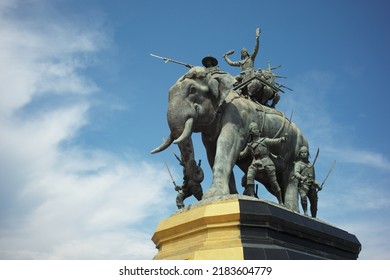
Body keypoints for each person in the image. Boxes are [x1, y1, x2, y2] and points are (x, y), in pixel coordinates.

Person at [239, 122, 286, 205]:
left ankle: (280, 201)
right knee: (249, 176)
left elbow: (274, 141)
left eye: (256, 129)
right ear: (251, 132)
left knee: (273, 182)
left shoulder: (265, 140)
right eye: (254, 129)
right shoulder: (250, 145)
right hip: (255, 162)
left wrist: (282, 139)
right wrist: (237, 154)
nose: (256, 130)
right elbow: (243, 154)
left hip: (266, 161)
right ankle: (253, 196)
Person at [293, 146, 322, 217]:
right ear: (300, 154)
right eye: (302, 153)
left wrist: (318, 184)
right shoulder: (298, 164)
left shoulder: (311, 165)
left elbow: (313, 178)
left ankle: (314, 216)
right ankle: (305, 212)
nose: (304, 154)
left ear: (308, 154)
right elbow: (296, 173)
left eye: (305, 152)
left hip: (311, 186)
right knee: (303, 197)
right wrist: (302, 177)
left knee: (314, 201)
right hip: (303, 185)